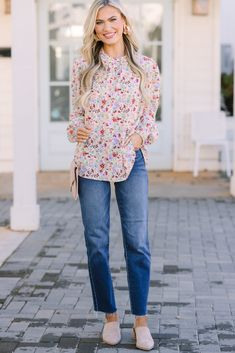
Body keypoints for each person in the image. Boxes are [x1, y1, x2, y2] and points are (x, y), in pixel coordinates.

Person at [66, 0, 160, 350]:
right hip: (90, 161)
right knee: (96, 243)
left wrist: (137, 138)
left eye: (112, 20)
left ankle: (140, 321)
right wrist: (76, 130)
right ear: (93, 29)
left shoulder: (145, 68)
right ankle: (109, 316)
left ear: (124, 24)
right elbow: (75, 114)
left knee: (137, 243)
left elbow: (149, 114)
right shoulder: (83, 67)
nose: (106, 27)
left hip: (129, 161)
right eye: (99, 22)